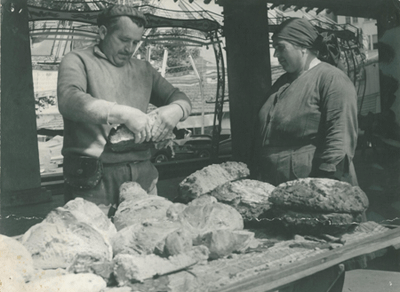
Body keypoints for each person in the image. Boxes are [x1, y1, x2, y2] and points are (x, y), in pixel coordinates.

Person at [57, 4, 191, 215]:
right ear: (102, 32)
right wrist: (125, 114)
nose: (130, 49)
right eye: (123, 40)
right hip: (94, 179)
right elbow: (68, 100)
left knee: (148, 239)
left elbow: (179, 97)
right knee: (94, 242)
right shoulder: (78, 60)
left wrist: (176, 110)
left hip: (143, 175)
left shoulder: (143, 69)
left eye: (136, 42)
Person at [256, 17, 359, 187]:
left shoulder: (332, 79)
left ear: (303, 47)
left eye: (281, 48)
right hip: (276, 184)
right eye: (275, 48)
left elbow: (340, 139)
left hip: (311, 184)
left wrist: (325, 185)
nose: (276, 55)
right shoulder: (282, 82)